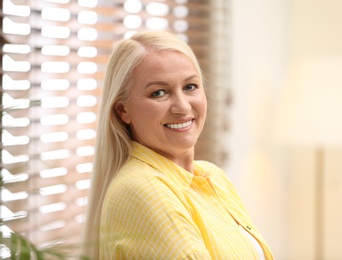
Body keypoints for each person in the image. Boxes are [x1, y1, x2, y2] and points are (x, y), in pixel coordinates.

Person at [80, 30, 274, 259]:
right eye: (159, 93)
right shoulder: (141, 188)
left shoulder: (215, 177)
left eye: (190, 87)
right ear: (123, 110)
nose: (182, 107)